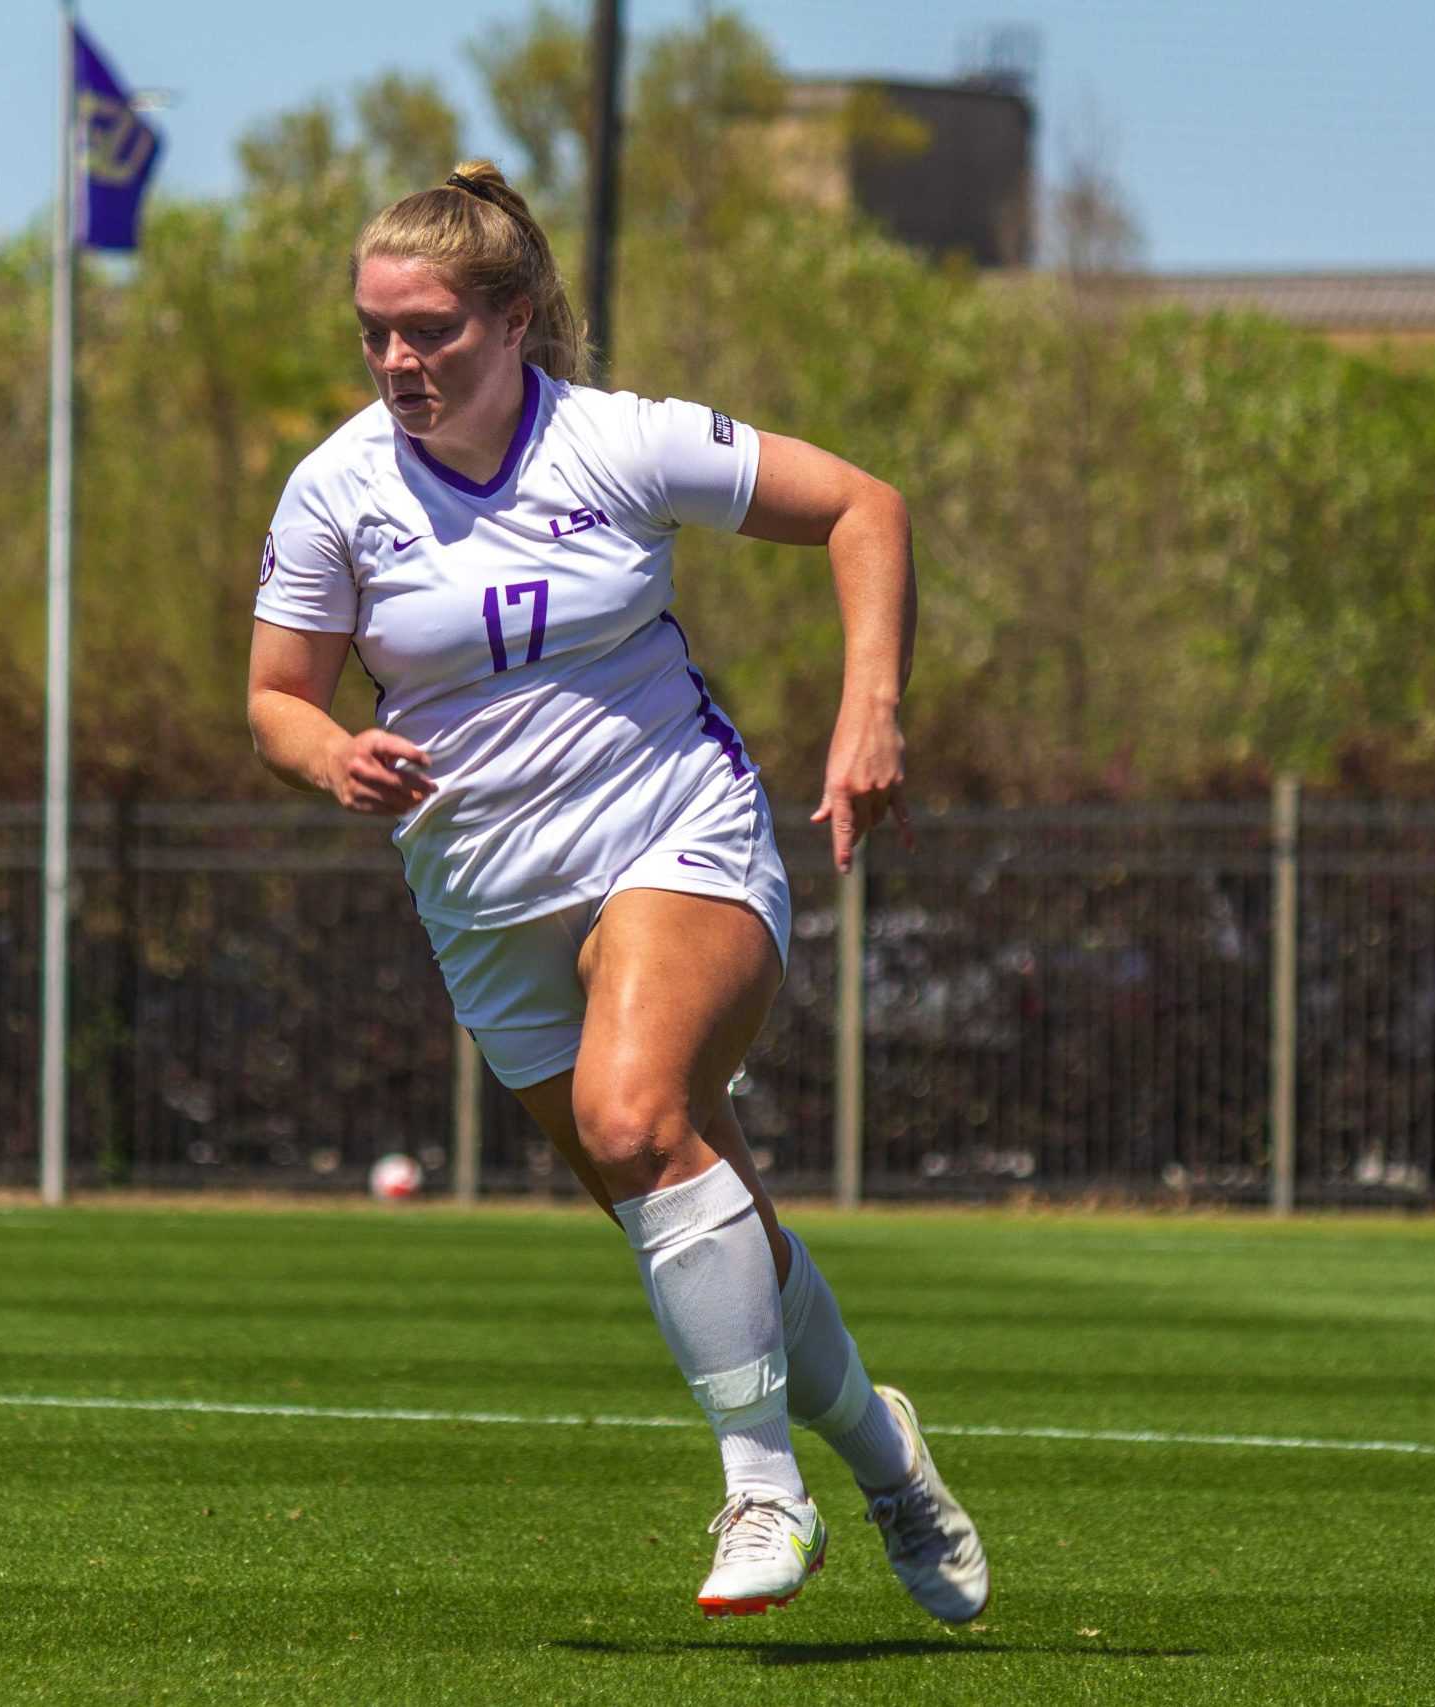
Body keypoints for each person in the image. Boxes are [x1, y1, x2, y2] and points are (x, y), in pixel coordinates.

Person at [246, 163, 987, 1622]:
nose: (400, 360)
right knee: (698, 1208)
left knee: (634, 1117)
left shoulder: (620, 442)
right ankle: (887, 1456)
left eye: (432, 329)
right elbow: (275, 696)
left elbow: (864, 509)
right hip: (488, 914)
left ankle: (762, 1491)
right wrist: (331, 753)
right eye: (375, 334)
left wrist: (871, 708)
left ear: (516, 318)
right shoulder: (335, 488)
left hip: (675, 837)